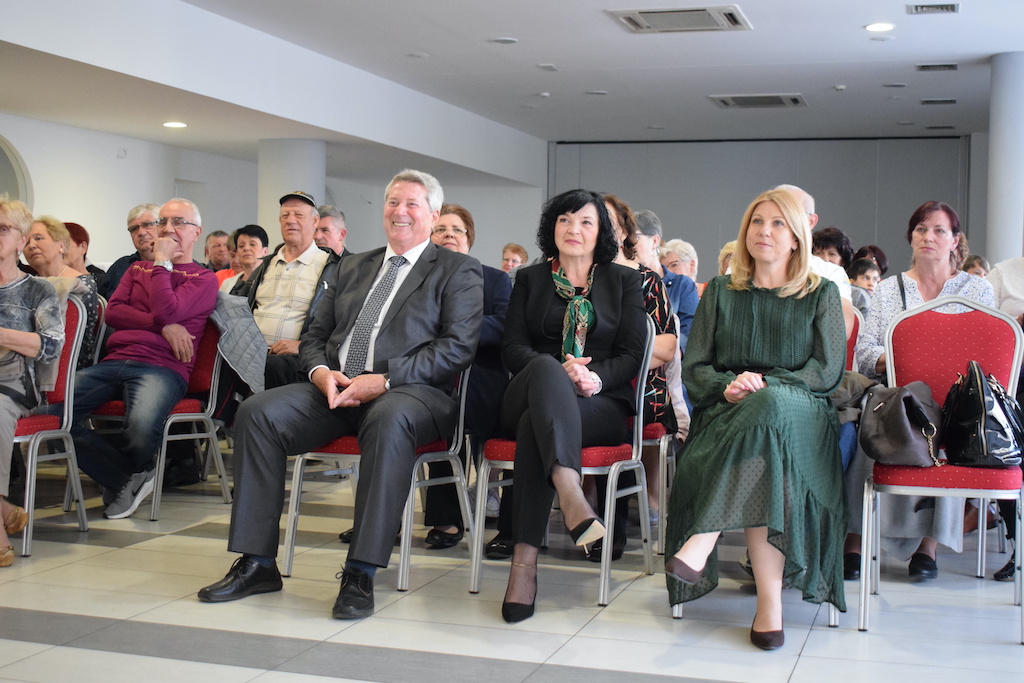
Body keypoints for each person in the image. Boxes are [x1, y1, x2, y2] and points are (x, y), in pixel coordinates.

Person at [197, 170, 483, 621]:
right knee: (257, 413)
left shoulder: (457, 269)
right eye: (393, 202)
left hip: (410, 393)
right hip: (336, 387)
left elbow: (457, 348)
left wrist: (383, 379)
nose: (400, 211)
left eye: (412, 203)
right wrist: (319, 371)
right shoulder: (352, 265)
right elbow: (315, 334)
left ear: (433, 215)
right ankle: (257, 563)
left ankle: (360, 572)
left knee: (388, 420)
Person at [664, 188, 846, 651]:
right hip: (728, 410)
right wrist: (727, 386)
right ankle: (770, 605)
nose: (764, 231)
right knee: (764, 450)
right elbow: (696, 366)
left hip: (801, 412)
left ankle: (702, 539)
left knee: (770, 407)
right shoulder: (720, 292)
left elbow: (826, 371)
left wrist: (768, 383)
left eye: (778, 223)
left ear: (797, 236)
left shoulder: (821, 293)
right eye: (757, 222)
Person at [498, 189, 645, 623]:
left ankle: (523, 566)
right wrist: (559, 373)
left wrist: (593, 378)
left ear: (601, 232)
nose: (573, 229)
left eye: (585, 221)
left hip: (598, 403)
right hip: (529, 387)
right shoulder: (530, 279)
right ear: (552, 227)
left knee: (536, 426)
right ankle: (571, 494)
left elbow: (631, 354)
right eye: (564, 219)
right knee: (545, 367)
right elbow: (512, 347)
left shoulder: (623, 281)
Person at [851, 200, 993, 580]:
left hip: (954, 397)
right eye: (921, 229)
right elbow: (864, 353)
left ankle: (928, 543)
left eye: (939, 230)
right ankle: (856, 536)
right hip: (897, 393)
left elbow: (985, 354)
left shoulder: (976, 290)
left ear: (955, 240)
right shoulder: (887, 290)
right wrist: (900, 358)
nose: (929, 237)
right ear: (911, 237)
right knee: (871, 414)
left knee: (952, 422)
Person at [69, 198, 218, 520]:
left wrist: (162, 264)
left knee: (139, 428)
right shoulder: (137, 268)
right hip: (116, 360)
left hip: (162, 367)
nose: (168, 228)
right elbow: (114, 313)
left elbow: (168, 310)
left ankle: (122, 478)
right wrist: (163, 327)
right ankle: (127, 477)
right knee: (53, 415)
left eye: (178, 222)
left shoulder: (203, 278)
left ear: (196, 233)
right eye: (163, 221)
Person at [587, 193, 677, 561]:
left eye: (607, 221)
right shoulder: (575, 277)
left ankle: (603, 518)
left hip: (640, 390)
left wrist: (617, 357)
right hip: (584, 383)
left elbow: (667, 348)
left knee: (610, 406)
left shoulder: (646, 280)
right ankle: (582, 505)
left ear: (625, 231)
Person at [418, 203, 512, 549]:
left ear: (469, 238)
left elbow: (504, 326)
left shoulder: (494, 279)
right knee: (432, 405)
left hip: (481, 375)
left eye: (457, 230)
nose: (449, 235)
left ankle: (501, 518)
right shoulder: (417, 279)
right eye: (441, 230)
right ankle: (443, 518)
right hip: (430, 375)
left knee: (459, 399)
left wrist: (456, 330)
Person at [0, 196, 64, 568]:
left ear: (22, 240)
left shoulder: (37, 290)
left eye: (3, 229)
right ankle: (4, 509)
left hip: (13, 386)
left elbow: (51, 345)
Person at [244, 192, 339, 389]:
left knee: (268, 367)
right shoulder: (265, 265)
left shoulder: (330, 267)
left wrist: (302, 346)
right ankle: (215, 411)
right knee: (218, 359)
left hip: (296, 359)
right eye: (285, 215)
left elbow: (341, 323)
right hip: (252, 352)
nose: (290, 220)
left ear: (314, 221)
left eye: (298, 215)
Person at [986, 256, 1024, 581]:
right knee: (1003, 443)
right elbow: (984, 327)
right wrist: (1016, 324)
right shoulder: (1004, 273)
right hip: (1013, 380)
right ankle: (1020, 545)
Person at [24, 216, 100, 369]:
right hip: (29, 355)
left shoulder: (81, 284)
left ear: (61, 245)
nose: (31, 245)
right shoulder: (27, 284)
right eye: (26, 242)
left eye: (39, 238)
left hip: (68, 364)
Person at [633, 211, 698, 351]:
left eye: (635, 237)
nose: (628, 244)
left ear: (654, 241)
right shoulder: (627, 285)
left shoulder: (682, 285)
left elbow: (690, 335)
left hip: (670, 360)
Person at [99, 204, 160, 300]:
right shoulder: (120, 267)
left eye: (147, 225)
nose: (141, 233)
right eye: (134, 229)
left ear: (162, 226)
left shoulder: (179, 266)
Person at [220, 225, 269, 297]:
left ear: (265, 251)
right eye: (241, 246)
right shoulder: (227, 283)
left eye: (252, 244)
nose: (246, 248)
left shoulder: (272, 280)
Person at [63, 221, 107, 294]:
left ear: (83, 247)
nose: (60, 250)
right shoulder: (48, 280)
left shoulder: (100, 281)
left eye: (65, 244)